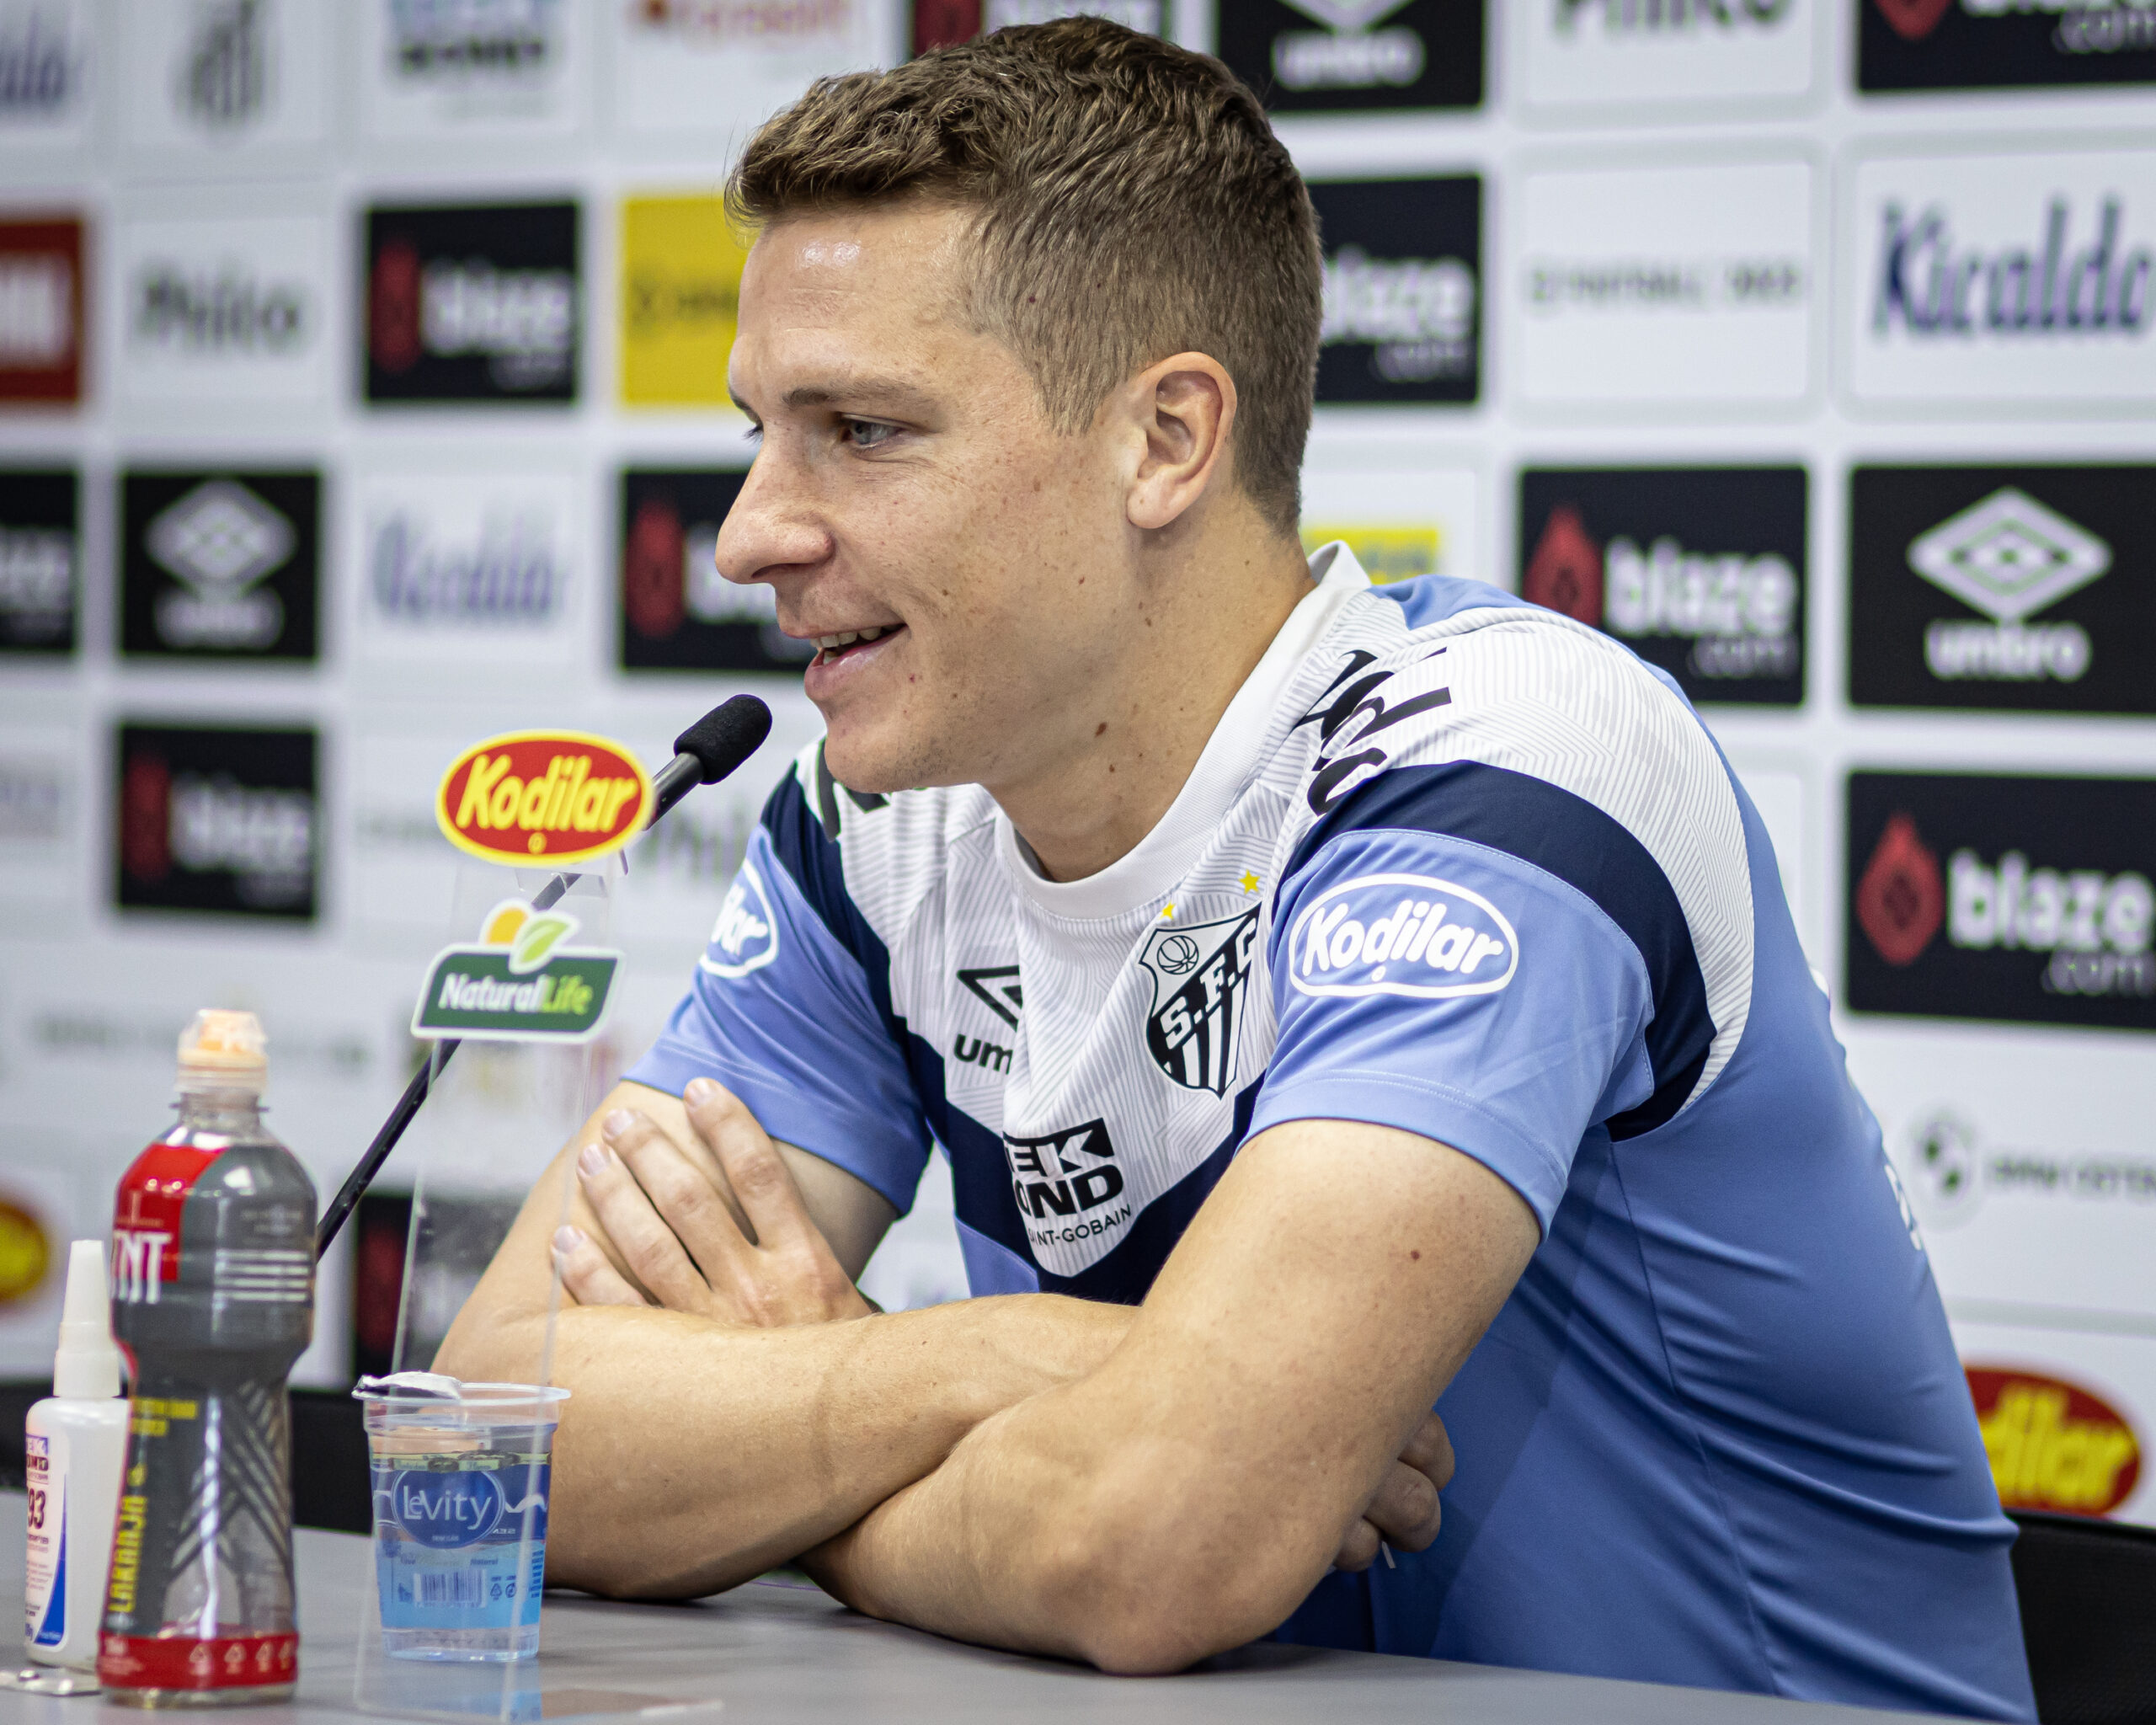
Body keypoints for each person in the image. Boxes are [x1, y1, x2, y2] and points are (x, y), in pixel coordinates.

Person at [438, 19, 2036, 1717]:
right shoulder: (879, 830)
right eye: (763, 428)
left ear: (1165, 440)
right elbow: (485, 1433)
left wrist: (809, 1422)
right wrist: (968, 1367)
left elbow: (1154, 1546)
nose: (751, 531)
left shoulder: (1498, 763)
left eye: (866, 430)